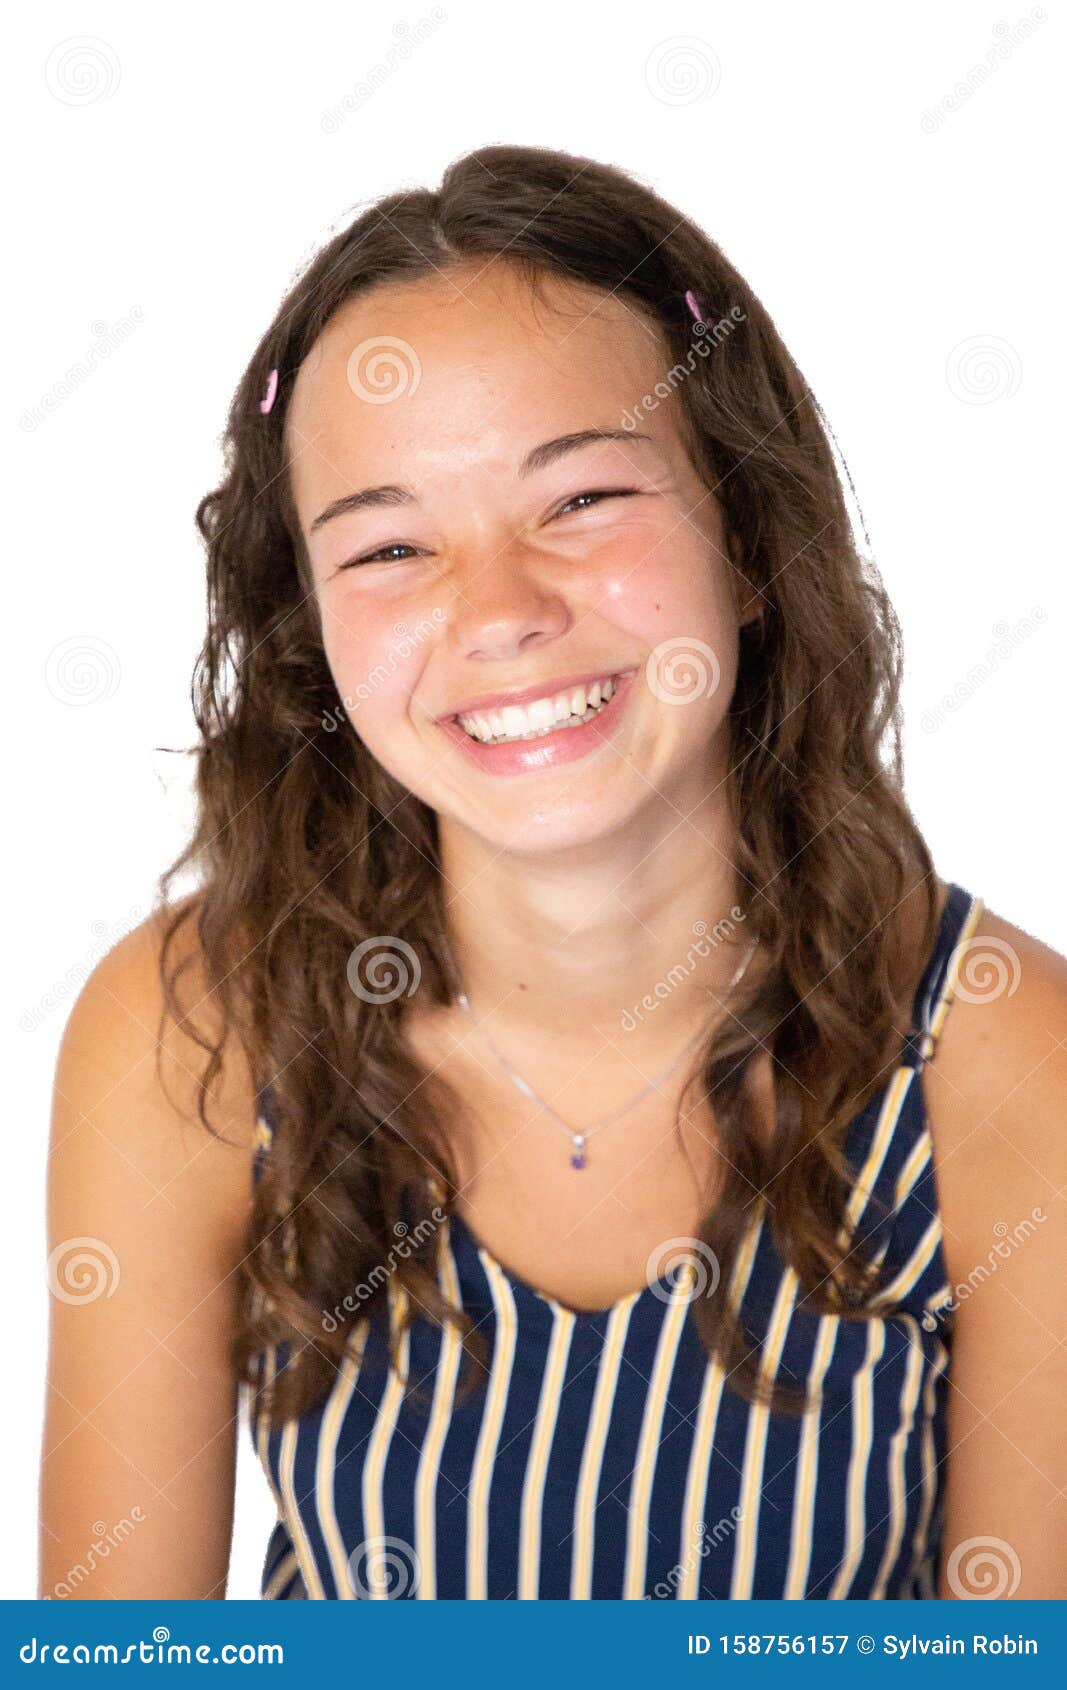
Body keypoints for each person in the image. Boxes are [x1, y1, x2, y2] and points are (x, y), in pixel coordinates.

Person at [39, 143, 1067, 1601]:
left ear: (750, 537)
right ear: (310, 627)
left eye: (581, 500)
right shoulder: (188, 1027)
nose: (502, 609)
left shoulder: (1003, 1052)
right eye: (391, 545)